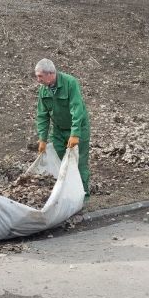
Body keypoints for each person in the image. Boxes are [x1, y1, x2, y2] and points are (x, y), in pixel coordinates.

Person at [34, 59, 91, 197]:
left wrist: (75, 133)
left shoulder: (70, 83)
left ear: (50, 74)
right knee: (62, 162)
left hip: (77, 129)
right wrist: (42, 138)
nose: (38, 80)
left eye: (40, 76)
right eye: (37, 76)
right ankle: (69, 192)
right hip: (58, 131)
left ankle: (83, 195)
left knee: (79, 163)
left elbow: (77, 109)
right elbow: (42, 115)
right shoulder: (43, 90)